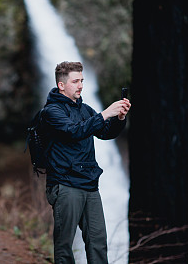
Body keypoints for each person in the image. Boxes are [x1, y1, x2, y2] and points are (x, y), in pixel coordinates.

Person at [42, 61, 131, 263]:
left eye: (82, 80)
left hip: (89, 185)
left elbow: (105, 133)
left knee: (98, 242)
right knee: (65, 246)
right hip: (65, 185)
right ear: (61, 85)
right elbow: (74, 131)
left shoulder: (85, 109)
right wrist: (105, 114)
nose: (81, 85)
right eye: (75, 81)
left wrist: (118, 118)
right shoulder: (52, 112)